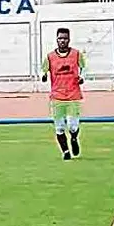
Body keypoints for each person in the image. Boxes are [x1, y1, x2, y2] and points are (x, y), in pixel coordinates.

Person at [41, 27, 86, 160]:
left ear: (69, 40)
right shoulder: (50, 57)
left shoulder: (77, 54)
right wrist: (43, 76)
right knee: (59, 128)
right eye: (60, 38)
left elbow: (84, 67)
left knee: (73, 125)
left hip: (73, 95)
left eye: (65, 38)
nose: (62, 41)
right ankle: (65, 152)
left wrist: (82, 77)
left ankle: (73, 138)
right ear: (56, 40)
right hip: (57, 97)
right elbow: (44, 70)